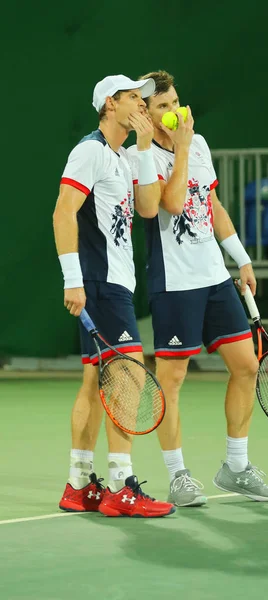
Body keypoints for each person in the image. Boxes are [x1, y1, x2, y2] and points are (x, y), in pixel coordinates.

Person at [127, 70, 268, 507]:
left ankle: (236, 468)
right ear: (146, 113)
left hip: (215, 278)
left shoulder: (200, 144)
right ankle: (178, 476)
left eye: (175, 101)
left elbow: (210, 205)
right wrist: (179, 151)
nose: (174, 111)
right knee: (172, 381)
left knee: (247, 366)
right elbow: (172, 204)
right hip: (174, 284)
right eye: (162, 106)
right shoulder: (141, 157)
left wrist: (241, 257)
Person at [53, 74, 175, 518]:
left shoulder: (122, 156)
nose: (143, 106)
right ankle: (122, 486)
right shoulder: (89, 151)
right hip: (99, 283)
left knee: (94, 381)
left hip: (114, 282)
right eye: (133, 99)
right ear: (109, 104)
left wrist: (145, 148)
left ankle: (79, 483)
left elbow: (147, 208)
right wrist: (73, 279)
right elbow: (63, 212)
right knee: (128, 377)